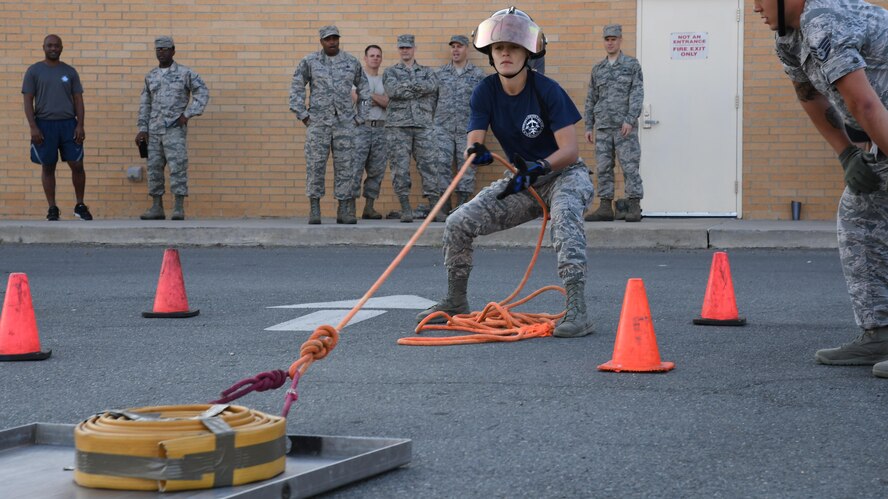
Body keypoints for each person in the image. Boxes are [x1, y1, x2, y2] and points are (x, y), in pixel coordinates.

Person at [416, 7, 596, 338]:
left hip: (564, 175)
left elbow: (570, 151)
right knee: (457, 222)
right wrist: (476, 151)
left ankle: (577, 309)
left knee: (565, 217)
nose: (505, 54)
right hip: (522, 181)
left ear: (527, 54)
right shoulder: (485, 91)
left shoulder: (548, 90)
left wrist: (540, 166)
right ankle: (456, 300)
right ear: (490, 54)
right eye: (499, 48)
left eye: (513, 47)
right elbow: (474, 138)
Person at [753, 0, 888, 378]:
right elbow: (809, 95)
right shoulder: (788, 37)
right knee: (860, 214)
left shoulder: (822, 20)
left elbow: (863, 103)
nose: (756, 7)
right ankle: (880, 332)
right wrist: (847, 154)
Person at [290, 26, 370, 224]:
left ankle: (343, 210)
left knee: (346, 167)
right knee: (315, 166)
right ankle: (314, 209)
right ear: (321, 41)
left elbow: (364, 89)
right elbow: (296, 87)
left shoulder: (351, 62)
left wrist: (360, 117)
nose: (332, 42)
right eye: (328, 39)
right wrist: (304, 116)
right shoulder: (310, 61)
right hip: (318, 124)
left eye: (335, 38)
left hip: (345, 124)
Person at [136, 36, 209, 221]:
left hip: (174, 128)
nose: (161, 52)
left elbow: (202, 91)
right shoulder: (151, 76)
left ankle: (178, 208)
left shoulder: (185, 73)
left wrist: (188, 114)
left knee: (178, 167)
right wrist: (142, 128)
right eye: (158, 49)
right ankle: (156, 207)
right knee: (154, 168)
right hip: (154, 131)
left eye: (165, 49)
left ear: (173, 50)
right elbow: (145, 103)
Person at [23, 34, 92, 221]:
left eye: (56, 46)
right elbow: (28, 100)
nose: (53, 48)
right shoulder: (34, 71)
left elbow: (78, 99)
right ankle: (52, 208)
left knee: (77, 164)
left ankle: (79, 205)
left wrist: (80, 124)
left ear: (61, 48)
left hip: (68, 124)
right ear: (44, 47)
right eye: (50, 45)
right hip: (44, 125)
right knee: (48, 166)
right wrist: (33, 127)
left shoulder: (70, 72)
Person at [583, 24, 645, 223]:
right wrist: (588, 125)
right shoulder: (598, 69)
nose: (610, 43)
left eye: (613, 39)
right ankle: (605, 207)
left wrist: (630, 119)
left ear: (620, 40)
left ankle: (634, 204)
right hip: (602, 127)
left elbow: (637, 94)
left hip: (624, 127)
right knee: (603, 167)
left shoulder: (631, 65)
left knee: (629, 165)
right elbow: (591, 98)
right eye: (607, 39)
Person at [383, 34, 441, 223]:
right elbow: (393, 91)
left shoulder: (427, 71)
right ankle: (405, 208)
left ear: (414, 49)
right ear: (398, 49)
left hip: (423, 125)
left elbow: (432, 87)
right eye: (402, 48)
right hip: (398, 127)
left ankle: (435, 208)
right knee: (400, 167)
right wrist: (419, 89)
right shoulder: (390, 72)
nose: (405, 50)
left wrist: (406, 88)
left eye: (408, 47)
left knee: (430, 165)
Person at [434, 35, 485, 213]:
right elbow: (432, 100)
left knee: (467, 166)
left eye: (459, 46)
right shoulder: (439, 74)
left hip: (468, 129)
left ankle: (461, 205)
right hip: (442, 129)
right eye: (453, 46)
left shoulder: (478, 75)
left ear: (467, 49)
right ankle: (444, 206)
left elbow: (483, 104)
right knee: (441, 164)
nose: (455, 50)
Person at [352, 44, 389, 220]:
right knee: (355, 169)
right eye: (372, 55)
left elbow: (388, 103)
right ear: (365, 58)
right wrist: (377, 98)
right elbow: (355, 98)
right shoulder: (357, 79)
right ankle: (349, 208)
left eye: (378, 56)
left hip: (381, 129)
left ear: (381, 59)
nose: (375, 58)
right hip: (361, 128)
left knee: (376, 170)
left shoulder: (385, 80)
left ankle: (369, 207)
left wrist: (368, 95)